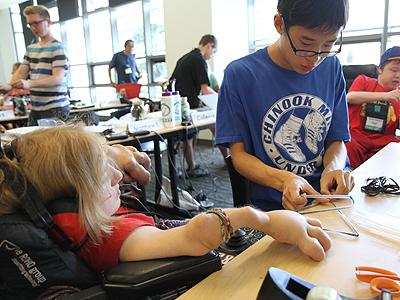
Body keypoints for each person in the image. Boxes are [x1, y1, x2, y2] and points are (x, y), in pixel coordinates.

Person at [0, 124, 331, 273]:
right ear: (72, 202)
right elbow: (198, 234)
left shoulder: (74, 219)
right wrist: (266, 219)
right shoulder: (107, 238)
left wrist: (110, 157)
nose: (119, 176)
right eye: (105, 175)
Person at [215, 0, 354, 212]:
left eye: (328, 45)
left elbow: (336, 139)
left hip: (329, 197)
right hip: (276, 206)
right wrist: (285, 180)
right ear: (280, 24)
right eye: (305, 44)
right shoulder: (240, 74)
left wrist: (333, 168)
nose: (315, 58)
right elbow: (239, 156)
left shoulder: (331, 66)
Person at [0, 5, 69, 127]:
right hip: (36, 108)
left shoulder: (58, 48)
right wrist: (8, 88)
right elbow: (21, 73)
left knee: (52, 145)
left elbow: (57, 79)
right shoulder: (31, 49)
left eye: (36, 23)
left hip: (55, 108)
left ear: (48, 22)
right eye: (30, 24)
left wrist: (29, 83)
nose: (33, 28)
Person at [168, 34, 220, 177]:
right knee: (187, 137)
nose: (211, 56)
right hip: (186, 105)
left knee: (183, 136)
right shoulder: (199, 60)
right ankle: (191, 167)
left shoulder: (186, 57)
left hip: (176, 103)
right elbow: (205, 89)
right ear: (210, 46)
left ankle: (177, 169)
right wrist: (222, 100)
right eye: (213, 52)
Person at [345, 46, 400, 168]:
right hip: (357, 137)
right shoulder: (364, 81)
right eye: (394, 70)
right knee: (346, 145)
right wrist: (385, 96)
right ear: (380, 69)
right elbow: (350, 97)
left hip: (383, 141)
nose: (398, 75)